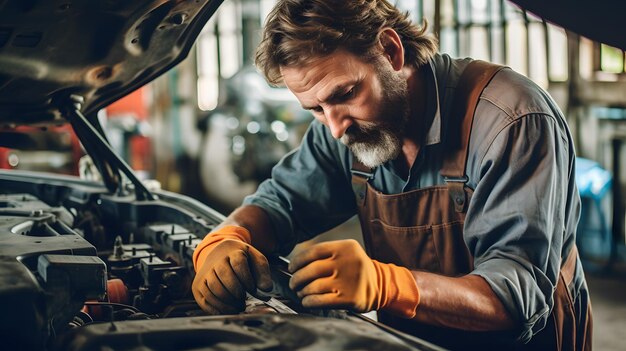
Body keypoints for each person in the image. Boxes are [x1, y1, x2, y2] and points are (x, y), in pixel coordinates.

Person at [191, 0, 592, 349]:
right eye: (314, 108)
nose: (334, 127)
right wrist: (226, 239)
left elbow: (515, 296)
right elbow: (280, 204)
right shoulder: (344, 126)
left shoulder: (512, 120)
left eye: (344, 94)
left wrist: (386, 285)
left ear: (390, 50)